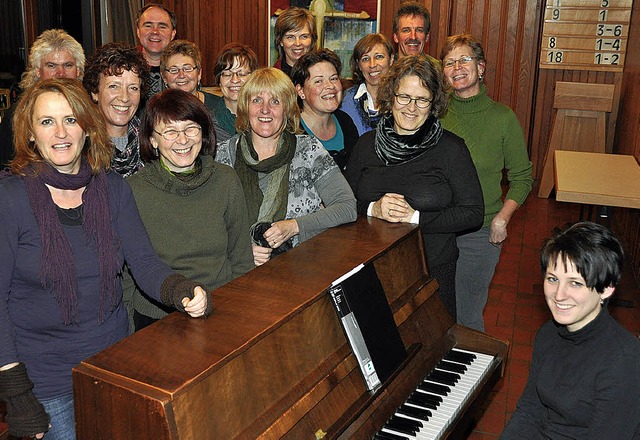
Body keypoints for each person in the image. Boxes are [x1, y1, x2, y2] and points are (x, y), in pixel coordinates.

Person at [0, 78, 210, 440]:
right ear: (30, 134)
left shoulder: (112, 188)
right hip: (46, 378)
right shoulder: (10, 197)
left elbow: (143, 264)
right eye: (47, 122)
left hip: (114, 363)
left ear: (87, 126)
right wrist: (17, 394)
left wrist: (183, 290)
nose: (61, 132)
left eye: (71, 119)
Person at [344, 55, 484, 320]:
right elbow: (344, 205)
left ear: (433, 105)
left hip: (432, 269)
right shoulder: (365, 146)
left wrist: (416, 218)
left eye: (422, 99)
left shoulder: (451, 149)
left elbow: (473, 212)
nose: (411, 107)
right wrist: (373, 208)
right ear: (390, 97)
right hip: (373, 270)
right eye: (404, 97)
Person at [125, 88, 254, 330]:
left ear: (203, 132)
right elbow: (127, 274)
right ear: (152, 139)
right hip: (158, 317)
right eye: (170, 131)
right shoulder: (133, 190)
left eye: (190, 129)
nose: (182, 140)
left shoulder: (225, 180)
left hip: (221, 306)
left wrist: (240, 313)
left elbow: (241, 260)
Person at [501, 222, 640, 439]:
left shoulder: (625, 362)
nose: (559, 295)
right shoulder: (548, 334)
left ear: (607, 288)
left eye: (575, 283)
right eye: (553, 279)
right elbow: (530, 411)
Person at [215, 67, 356, 266]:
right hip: (240, 273)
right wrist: (242, 250)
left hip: (305, 267)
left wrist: (295, 226)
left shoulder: (308, 150)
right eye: (257, 100)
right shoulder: (223, 155)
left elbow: (347, 207)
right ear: (245, 107)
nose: (265, 109)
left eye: (275, 101)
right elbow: (210, 222)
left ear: (287, 108)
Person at [440, 34, 533, 331]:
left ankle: (472, 374)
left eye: (464, 59)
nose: (457, 67)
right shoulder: (435, 115)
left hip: (479, 233)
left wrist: (502, 220)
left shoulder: (502, 118)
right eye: (449, 62)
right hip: (437, 229)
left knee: (466, 316)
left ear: (481, 68)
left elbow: (522, 178)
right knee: (434, 312)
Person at [0, 29, 85, 168]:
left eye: (68, 65)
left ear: (79, 71)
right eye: (51, 66)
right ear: (38, 71)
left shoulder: (90, 109)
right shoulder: (17, 116)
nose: (60, 74)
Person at [83, 42, 150, 177]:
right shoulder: (80, 147)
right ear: (95, 92)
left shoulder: (152, 142)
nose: (124, 98)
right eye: (114, 86)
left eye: (133, 88)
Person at [291, 49, 358, 171]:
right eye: (318, 81)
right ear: (300, 91)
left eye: (333, 78)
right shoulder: (291, 132)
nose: (330, 86)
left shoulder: (345, 122)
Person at [341, 33, 395, 136]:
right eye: (365, 59)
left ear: (391, 60)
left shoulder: (402, 100)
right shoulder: (344, 102)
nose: (372, 65)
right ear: (359, 65)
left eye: (379, 57)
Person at [211, 42, 259, 143]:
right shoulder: (207, 124)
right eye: (227, 74)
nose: (235, 80)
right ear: (219, 80)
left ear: (253, 78)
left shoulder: (265, 118)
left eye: (242, 74)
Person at [136, 3, 176, 100]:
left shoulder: (183, 69)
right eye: (148, 26)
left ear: (173, 34)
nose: (155, 31)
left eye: (162, 26)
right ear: (138, 31)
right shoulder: (125, 66)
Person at [273, 7, 317, 78]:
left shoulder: (322, 74)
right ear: (280, 41)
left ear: (312, 39)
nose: (297, 43)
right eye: (290, 37)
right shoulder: (271, 80)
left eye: (304, 36)